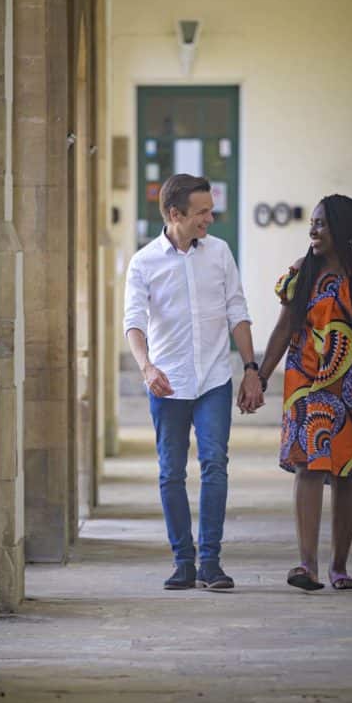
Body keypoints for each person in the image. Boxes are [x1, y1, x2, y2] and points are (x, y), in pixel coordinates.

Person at [124, 174, 264, 591]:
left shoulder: (219, 253)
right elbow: (133, 323)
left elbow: (237, 312)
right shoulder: (144, 262)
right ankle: (183, 561)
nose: (210, 218)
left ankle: (211, 562)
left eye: (210, 209)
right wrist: (146, 367)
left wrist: (251, 368)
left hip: (214, 380)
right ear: (175, 214)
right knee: (170, 473)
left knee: (215, 466)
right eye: (202, 211)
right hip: (167, 384)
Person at [257, 194, 352, 591]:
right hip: (308, 382)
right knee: (308, 467)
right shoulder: (303, 272)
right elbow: (284, 329)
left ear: (343, 227)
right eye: (313, 224)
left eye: (321, 223)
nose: (313, 230)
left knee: (348, 473)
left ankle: (339, 566)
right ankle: (307, 566)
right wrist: (261, 375)